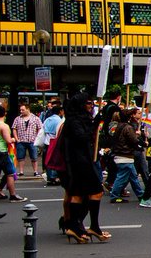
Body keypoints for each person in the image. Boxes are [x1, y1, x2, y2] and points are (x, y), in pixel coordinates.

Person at [57, 92, 108, 243]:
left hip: (80, 161)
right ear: (80, 105)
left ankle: (76, 227)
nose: (91, 106)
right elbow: (82, 137)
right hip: (80, 163)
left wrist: (96, 122)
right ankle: (91, 226)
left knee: (78, 195)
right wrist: (94, 126)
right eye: (88, 103)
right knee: (96, 192)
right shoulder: (73, 121)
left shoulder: (79, 119)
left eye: (92, 103)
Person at [106, 107, 144, 204]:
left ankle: (141, 195)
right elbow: (133, 140)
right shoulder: (128, 127)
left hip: (122, 154)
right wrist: (141, 142)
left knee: (134, 177)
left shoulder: (119, 126)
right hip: (125, 155)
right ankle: (115, 195)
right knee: (122, 177)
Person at [10, 103, 43, 179]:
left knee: (34, 157)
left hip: (32, 140)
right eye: (20, 110)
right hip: (21, 140)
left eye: (23, 110)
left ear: (28, 109)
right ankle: (21, 171)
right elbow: (14, 128)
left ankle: (35, 171)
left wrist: (36, 137)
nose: (21, 111)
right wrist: (17, 138)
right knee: (20, 157)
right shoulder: (18, 118)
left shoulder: (35, 118)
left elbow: (40, 128)